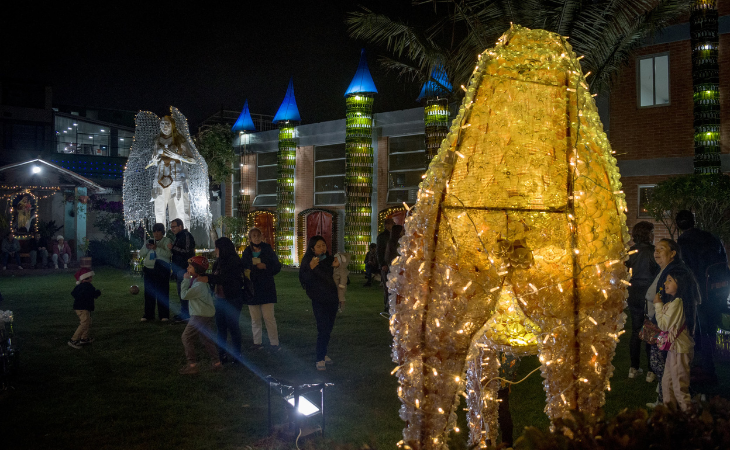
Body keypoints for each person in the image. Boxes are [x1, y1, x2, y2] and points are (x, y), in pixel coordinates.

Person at [675, 209, 726, 385]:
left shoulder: (683, 242)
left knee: (700, 329)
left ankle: (707, 369)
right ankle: (708, 363)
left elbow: (686, 269)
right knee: (710, 328)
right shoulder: (711, 237)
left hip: (698, 292)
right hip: (716, 290)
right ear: (694, 221)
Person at [645, 238, 689, 407]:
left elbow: (655, 297)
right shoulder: (664, 269)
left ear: (672, 254)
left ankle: (680, 409)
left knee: (667, 371)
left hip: (670, 335)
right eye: (655, 248)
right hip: (667, 332)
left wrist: (657, 304)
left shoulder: (673, 273)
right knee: (666, 374)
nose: (656, 252)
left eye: (661, 249)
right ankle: (666, 405)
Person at [654, 266, 698, 412]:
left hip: (680, 350)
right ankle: (670, 416)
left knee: (679, 387)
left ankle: (689, 417)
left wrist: (657, 305)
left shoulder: (678, 303)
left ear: (680, 284)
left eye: (670, 280)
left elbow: (663, 324)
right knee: (667, 382)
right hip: (674, 349)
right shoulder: (676, 302)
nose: (665, 283)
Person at [299, 235, 342, 371]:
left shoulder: (329, 260)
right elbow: (304, 279)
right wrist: (311, 268)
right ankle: (319, 358)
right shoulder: (309, 261)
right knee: (323, 328)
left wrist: (338, 266)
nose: (322, 248)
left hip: (332, 299)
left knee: (328, 328)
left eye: (323, 245)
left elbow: (341, 278)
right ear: (312, 248)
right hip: (319, 299)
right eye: (318, 246)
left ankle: (323, 353)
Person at [198, 237, 243, 364]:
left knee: (233, 326)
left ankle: (237, 355)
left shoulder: (234, 261)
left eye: (216, 247)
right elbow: (216, 276)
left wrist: (208, 278)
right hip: (219, 299)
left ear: (223, 248)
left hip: (232, 298)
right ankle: (221, 354)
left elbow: (226, 278)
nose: (215, 250)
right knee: (221, 327)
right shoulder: (218, 262)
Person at [625, 222, 660, 380]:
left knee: (636, 330)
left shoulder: (631, 251)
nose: (653, 235)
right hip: (649, 293)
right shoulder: (654, 252)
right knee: (650, 329)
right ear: (647, 234)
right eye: (652, 232)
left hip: (634, 292)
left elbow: (624, 269)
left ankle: (633, 367)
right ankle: (651, 370)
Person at [147, 115, 196, 227]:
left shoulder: (180, 139)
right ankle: (159, 240)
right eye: (162, 123)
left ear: (172, 125)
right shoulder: (157, 140)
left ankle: (184, 237)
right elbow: (153, 160)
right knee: (159, 209)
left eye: (167, 123)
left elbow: (193, 160)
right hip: (161, 176)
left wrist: (179, 157)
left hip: (177, 175)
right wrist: (154, 161)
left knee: (181, 208)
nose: (165, 126)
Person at [241, 228, 282, 352]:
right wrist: (251, 269)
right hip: (252, 288)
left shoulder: (267, 249)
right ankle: (257, 342)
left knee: (269, 317)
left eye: (258, 235)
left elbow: (277, 266)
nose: (256, 238)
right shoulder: (247, 252)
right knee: (255, 318)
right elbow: (243, 267)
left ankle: (274, 343)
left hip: (266, 287)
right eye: (254, 236)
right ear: (250, 238)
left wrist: (265, 266)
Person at [179, 255, 222, 375]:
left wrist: (185, 280)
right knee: (206, 338)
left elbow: (184, 295)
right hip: (206, 314)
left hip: (199, 315)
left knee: (186, 337)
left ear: (197, 269)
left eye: (190, 267)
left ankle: (192, 365)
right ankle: (216, 362)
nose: (187, 268)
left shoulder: (199, 285)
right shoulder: (199, 282)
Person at [139, 223, 173, 322]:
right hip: (149, 268)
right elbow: (141, 254)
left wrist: (156, 248)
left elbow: (168, 254)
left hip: (162, 268)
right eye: (154, 231)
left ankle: (164, 315)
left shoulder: (167, 241)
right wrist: (147, 247)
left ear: (162, 232)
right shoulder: (149, 241)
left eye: (158, 231)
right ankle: (148, 314)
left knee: (162, 292)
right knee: (149, 293)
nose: (156, 233)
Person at [168, 218, 196, 323]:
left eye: (174, 226)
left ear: (180, 226)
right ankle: (184, 313)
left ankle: (187, 314)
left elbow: (188, 252)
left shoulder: (186, 236)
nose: (172, 229)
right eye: (171, 227)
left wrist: (173, 248)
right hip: (179, 268)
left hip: (184, 268)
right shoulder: (179, 237)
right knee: (181, 292)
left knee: (184, 291)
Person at [67, 268, 101, 349]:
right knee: (84, 323)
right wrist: (98, 292)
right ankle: (74, 340)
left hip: (78, 307)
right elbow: (93, 295)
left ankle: (84, 338)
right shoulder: (88, 286)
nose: (91, 279)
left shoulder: (79, 286)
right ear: (87, 278)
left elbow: (73, 293)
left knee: (87, 321)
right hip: (83, 307)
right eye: (90, 277)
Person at [383, 225, 405, 313]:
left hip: (393, 267)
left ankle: (390, 306)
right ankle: (390, 306)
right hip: (394, 268)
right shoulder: (394, 243)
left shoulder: (391, 241)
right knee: (393, 288)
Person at [377, 218, 394, 312]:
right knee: (387, 286)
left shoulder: (392, 236)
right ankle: (387, 305)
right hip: (385, 264)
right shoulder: (382, 237)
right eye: (391, 224)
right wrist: (382, 263)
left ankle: (391, 305)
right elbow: (379, 252)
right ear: (387, 225)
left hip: (392, 264)